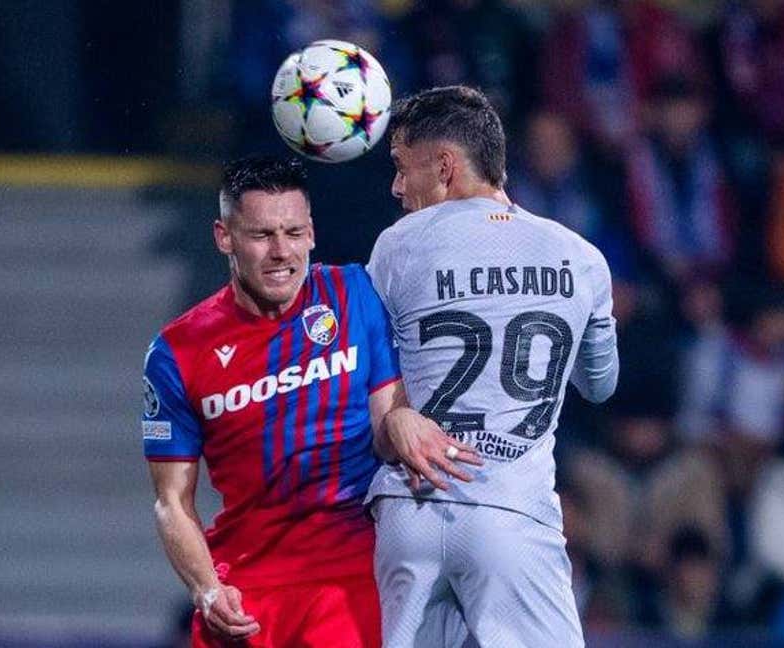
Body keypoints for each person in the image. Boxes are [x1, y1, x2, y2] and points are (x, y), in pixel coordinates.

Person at [141, 155, 465, 648]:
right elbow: (171, 501)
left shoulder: (354, 292)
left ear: (312, 233)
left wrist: (401, 423)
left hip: (352, 574)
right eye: (261, 235)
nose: (281, 252)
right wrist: (206, 590)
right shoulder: (177, 352)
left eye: (293, 233)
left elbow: (383, 425)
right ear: (224, 237)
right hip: (244, 594)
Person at [366, 86, 619, 647]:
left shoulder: (396, 246)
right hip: (512, 512)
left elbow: (373, 383)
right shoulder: (581, 256)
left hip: (411, 507)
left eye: (403, 168)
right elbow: (600, 386)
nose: (397, 187)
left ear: (446, 167)